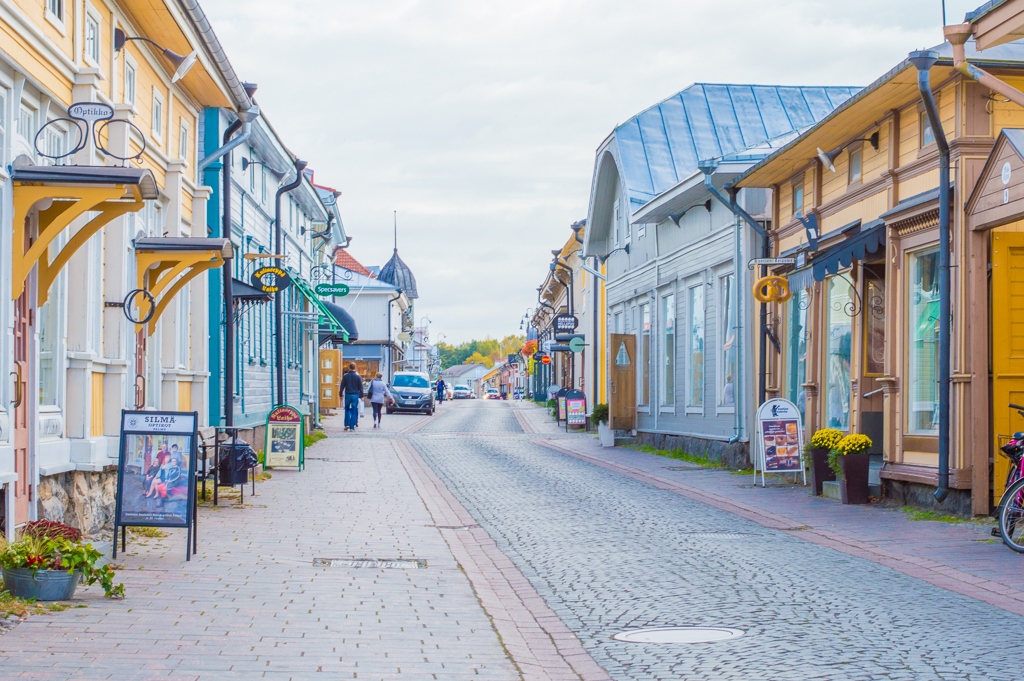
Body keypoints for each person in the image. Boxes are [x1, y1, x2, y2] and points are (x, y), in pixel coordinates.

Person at [341, 363, 364, 431]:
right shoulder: (358, 377)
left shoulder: (345, 376)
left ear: (349, 368)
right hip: (355, 395)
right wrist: (361, 396)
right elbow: (361, 387)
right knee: (354, 410)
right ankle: (352, 427)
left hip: (348, 394)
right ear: (355, 368)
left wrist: (340, 395)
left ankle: (346, 424)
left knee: (347, 409)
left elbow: (342, 386)